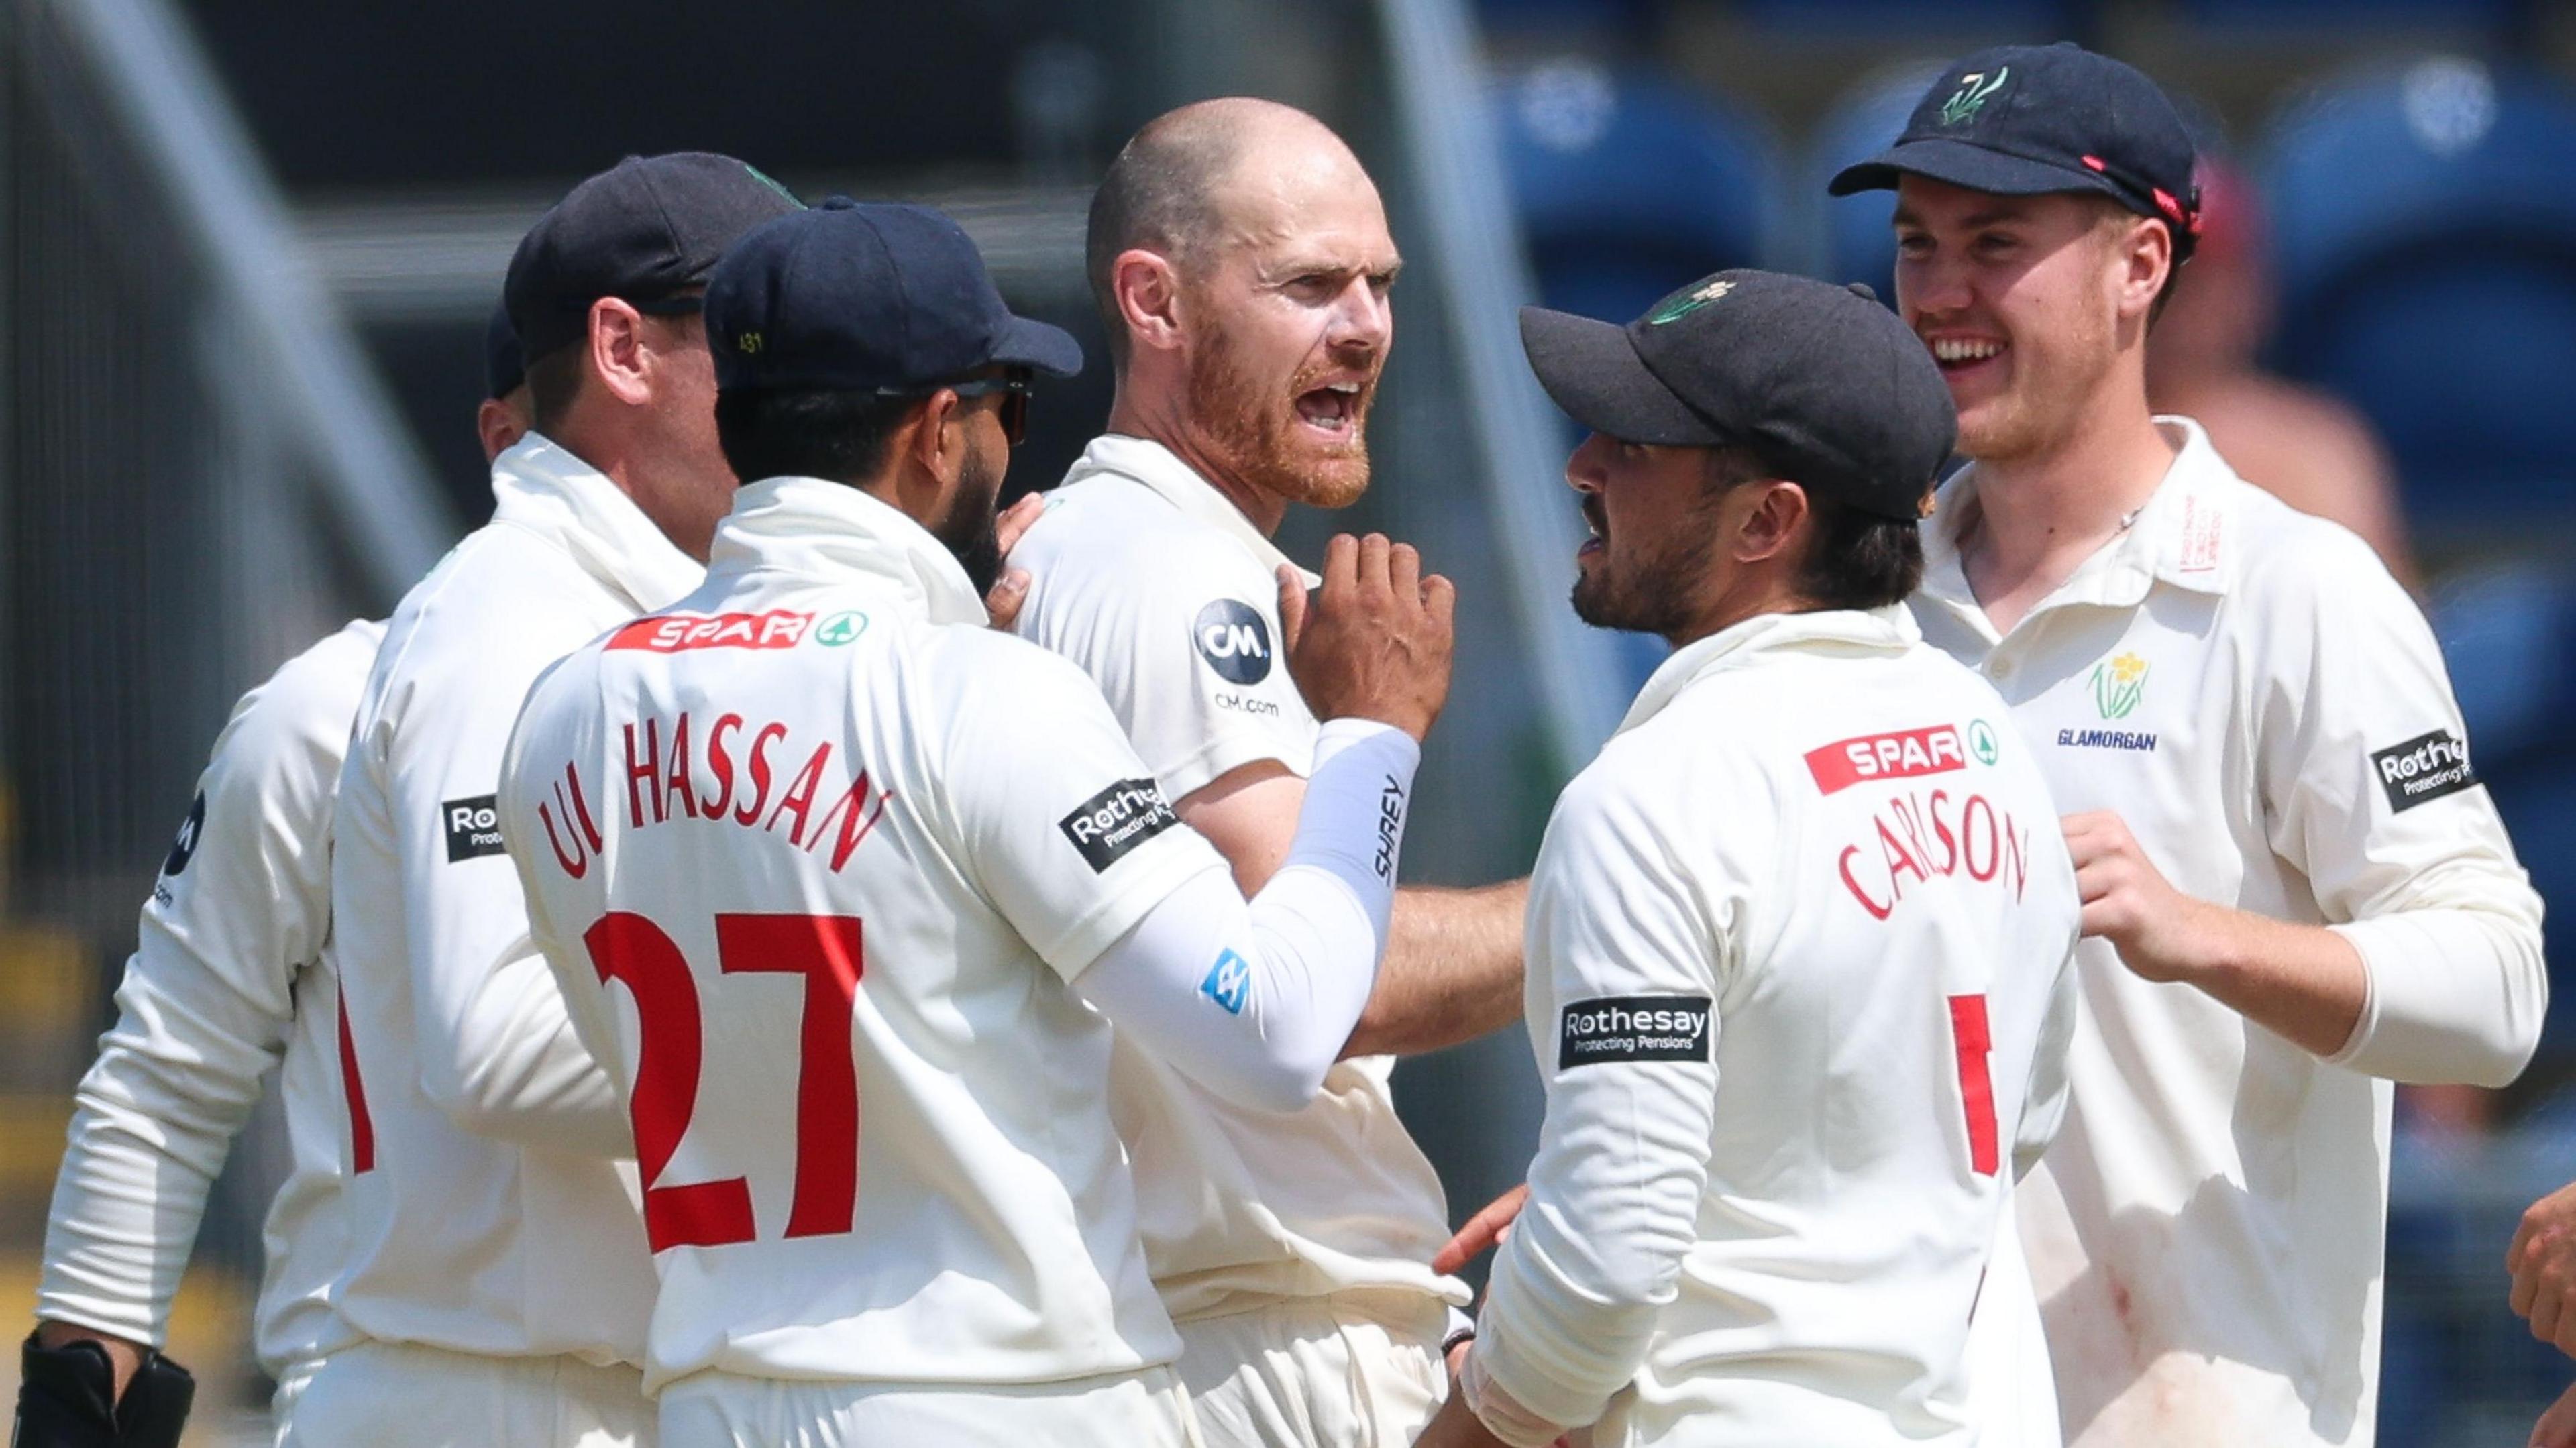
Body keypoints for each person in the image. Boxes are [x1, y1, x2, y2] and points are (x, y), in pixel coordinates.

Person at [497, 196, 1454, 1447]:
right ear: (938, 430)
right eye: (1014, 407)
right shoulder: (978, 694)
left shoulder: (565, 708)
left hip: (715, 1403)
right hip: (1004, 1403)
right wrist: (1374, 731)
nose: (1015, 447)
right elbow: (1277, 1033)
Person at [1829, 41, 2546, 1445]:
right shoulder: (1862, 611)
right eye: (1918, 244)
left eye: (1996, 242)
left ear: (2142, 265)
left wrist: (2197, 932)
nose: (1942, 292)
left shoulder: (2298, 590)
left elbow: (2497, 988)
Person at [1413, 270, 2082, 1448]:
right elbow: (2017, 1117)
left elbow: (1608, 1264)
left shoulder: (1654, 794)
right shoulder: (1991, 738)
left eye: (1634, 444)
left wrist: (1475, 1415)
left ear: (1767, 522)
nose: (1581, 466)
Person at [1008, 96, 1517, 1447]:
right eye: (1308, 285)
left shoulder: (1111, 547)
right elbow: (1316, 984)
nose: (1366, 327)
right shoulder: (1170, 573)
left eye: (1380, 284)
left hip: (1234, 1322)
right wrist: (1635, 897)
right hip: (1267, 1342)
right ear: (1155, 301)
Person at [313, 153, 800, 1447]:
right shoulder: (508, 621)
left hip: (604, 1393)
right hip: (505, 1400)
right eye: (760, 339)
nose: (808, 383)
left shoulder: (660, 615)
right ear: (624, 350)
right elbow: (497, 1038)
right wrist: (860, 1043)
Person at [14, 301, 536, 1448]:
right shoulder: (327, 706)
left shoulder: (807, 712)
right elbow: (167, 1074)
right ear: (508, 440)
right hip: (402, 1401)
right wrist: (75, 1405)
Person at [2142, 158, 2414, 588]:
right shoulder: (2066, 444)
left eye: (2206, 278)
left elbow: (2378, 617)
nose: (2181, 305)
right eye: (2164, 277)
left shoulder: (2314, 450)